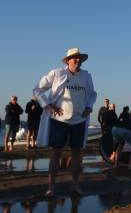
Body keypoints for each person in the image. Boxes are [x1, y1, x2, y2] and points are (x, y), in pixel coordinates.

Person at [33, 48, 97, 197]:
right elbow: (38, 89)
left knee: (77, 154)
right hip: (59, 120)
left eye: (79, 58)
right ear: (67, 60)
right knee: (56, 154)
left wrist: (89, 107)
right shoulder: (56, 74)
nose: (77, 60)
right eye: (74, 58)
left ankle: (75, 185)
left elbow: (93, 94)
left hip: (79, 120)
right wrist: (48, 105)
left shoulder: (87, 76)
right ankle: (51, 187)